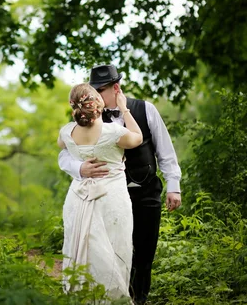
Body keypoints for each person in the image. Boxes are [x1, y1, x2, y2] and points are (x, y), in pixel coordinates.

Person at [59, 64, 182, 305]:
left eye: (99, 90)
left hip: (146, 189)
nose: (93, 96)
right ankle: (116, 298)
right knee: (110, 250)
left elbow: (164, 148)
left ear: (116, 88)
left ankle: (139, 299)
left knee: (145, 251)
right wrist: (79, 169)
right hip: (105, 195)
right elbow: (66, 153)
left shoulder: (145, 109)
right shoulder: (88, 114)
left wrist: (173, 185)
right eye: (92, 90)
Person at [58, 82, 143, 300]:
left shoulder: (67, 132)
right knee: (116, 249)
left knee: (85, 251)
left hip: (78, 198)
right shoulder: (113, 132)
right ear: (97, 103)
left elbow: (62, 145)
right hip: (111, 198)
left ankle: (83, 297)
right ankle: (112, 299)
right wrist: (124, 109)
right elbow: (137, 137)